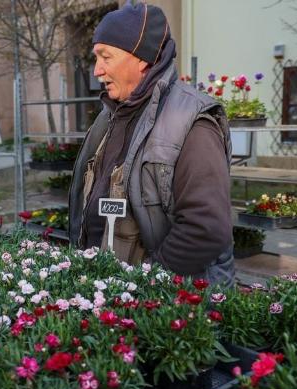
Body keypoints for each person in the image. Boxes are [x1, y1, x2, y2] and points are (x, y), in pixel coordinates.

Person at [69, 3, 234, 287]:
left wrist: (146, 284)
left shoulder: (192, 122)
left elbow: (204, 229)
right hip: (110, 295)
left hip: (169, 307)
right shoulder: (111, 115)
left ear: (142, 58)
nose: (97, 70)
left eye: (105, 57)